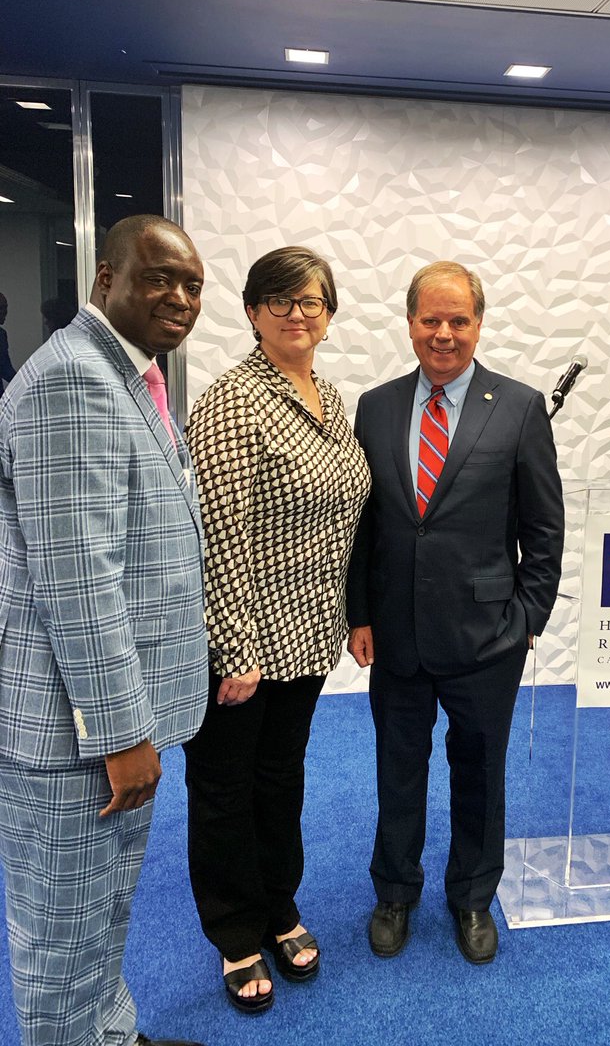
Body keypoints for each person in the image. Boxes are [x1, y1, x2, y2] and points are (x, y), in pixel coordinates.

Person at [0, 214, 208, 1046]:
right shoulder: (73, 381)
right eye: (160, 278)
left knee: (105, 910)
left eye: (192, 284)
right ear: (105, 281)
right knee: (61, 937)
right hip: (73, 731)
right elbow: (79, 577)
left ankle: (111, 1037)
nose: (181, 297)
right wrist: (123, 731)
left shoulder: (128, 375)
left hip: (106, 720)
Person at [347, 261, 565, 964]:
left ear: (478, 324)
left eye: (458, 320)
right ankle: (394, 891)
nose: (444, 334)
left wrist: (529, 616)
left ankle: (472, 895)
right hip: (399, 631)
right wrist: (359, 613)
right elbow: (366, 525)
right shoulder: (376, 407)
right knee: (398, 768)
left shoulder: (521, 406)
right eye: (430, 320)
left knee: (479, 771)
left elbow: (544, 527)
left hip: (487, 637)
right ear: (409, 322)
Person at [183, 246, 370, 1012]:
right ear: (254, 310)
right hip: (241, 641)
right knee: (225, 788)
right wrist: (236, 649)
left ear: (328, 314)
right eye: (282, 300)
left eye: (313, 301)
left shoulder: (328, 396)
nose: (299, 313)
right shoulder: (233, 400)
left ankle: (279, 903)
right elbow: (218, 534)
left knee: (279, 777)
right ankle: (235, 932)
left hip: (306, 636)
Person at [0, 291, 16, 390]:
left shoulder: (1, 334)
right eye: (1, 308)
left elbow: (5, 367)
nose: (5, 312)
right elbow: (5, 368)